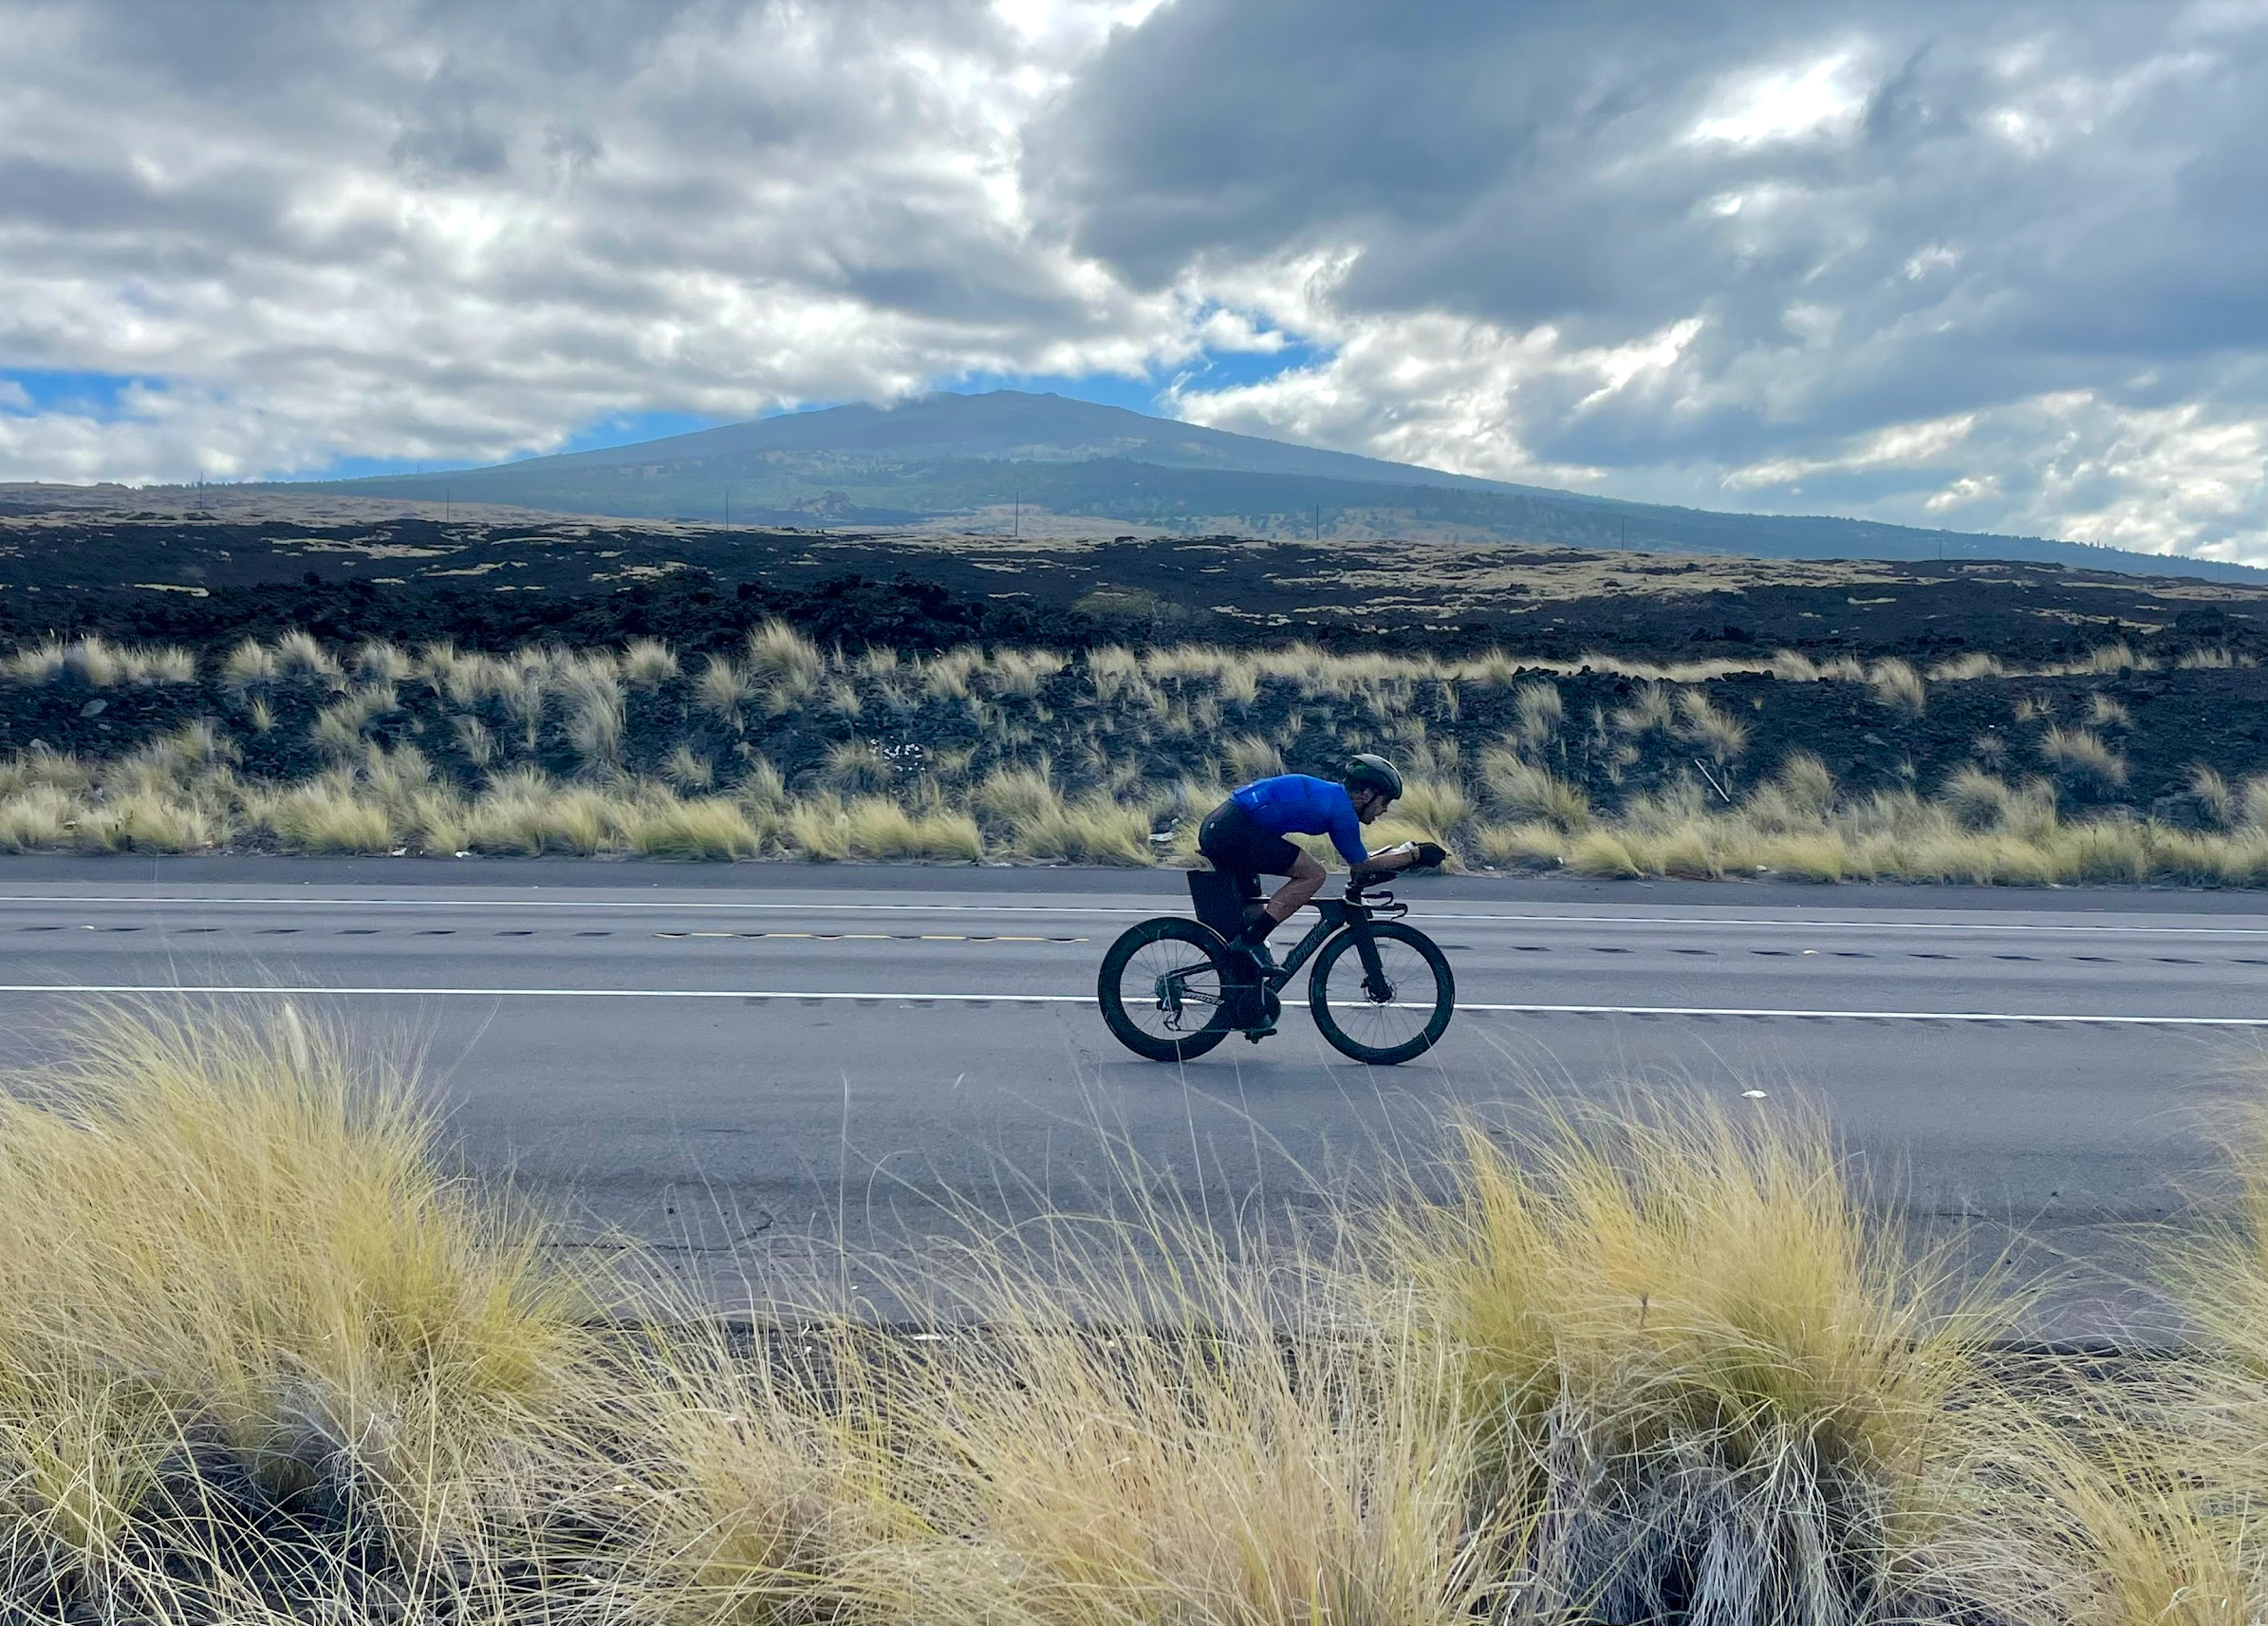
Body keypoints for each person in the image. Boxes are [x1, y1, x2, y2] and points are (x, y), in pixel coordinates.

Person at [1196, 755, 1446, 977]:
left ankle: (1244, 981)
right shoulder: (1342, 811)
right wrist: (1413, 855)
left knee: (1253, 912)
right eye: (1384, 802)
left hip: (1223, 825)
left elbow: (1361, 860)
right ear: (1367, 795)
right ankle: (1250, 942)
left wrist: (1403, 853)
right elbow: (1361, 866)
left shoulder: (1335, 799)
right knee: (1313, 874)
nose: (1384, 810)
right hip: (1234, 830)